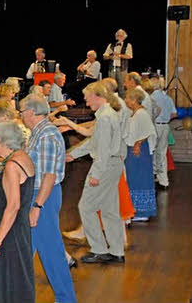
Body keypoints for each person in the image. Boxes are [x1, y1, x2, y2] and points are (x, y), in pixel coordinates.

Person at [20, 94, 77, 303]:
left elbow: (49, 175)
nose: (20, 116)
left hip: (44, 196)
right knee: (26, 250)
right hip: (39, 195)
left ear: (31, 112)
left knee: (52, 253)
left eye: (22, 112)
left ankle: (66, 299)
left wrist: (37, 205)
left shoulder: (47, 135)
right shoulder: (39, 132)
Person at [66, 82, 125, 264]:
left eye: (87, 96)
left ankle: (99, 249)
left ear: (98, 96)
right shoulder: (106, 115)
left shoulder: (106, 117)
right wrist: (72, 155)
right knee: (109, 210)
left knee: (86, 207)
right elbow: (95, 143)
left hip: (106, 166)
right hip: (113, 164)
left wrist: (96, 175)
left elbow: (103, 150)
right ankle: (116, 251)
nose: (85, 100)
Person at [0, 122, 35, 303]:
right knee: (19, 276)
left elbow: (13, 205)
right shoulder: (22, 157)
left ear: (0, 140)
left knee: (5, 280)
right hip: (18, 228)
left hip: (8, 232)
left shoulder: (11, 166)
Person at [124, 88, 157, 222]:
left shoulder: (142, 114)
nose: (125, 101)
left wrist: (138, 143)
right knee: (134, 178)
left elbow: (149, 130)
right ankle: (135, 209)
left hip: (139, 151)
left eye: (127, 98)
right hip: (134, 149)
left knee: (140, 178)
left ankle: (142, 211)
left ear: (133, 100)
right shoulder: (135, 113)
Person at [150, 77, 177, 189]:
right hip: (165, 126)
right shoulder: (168, 98)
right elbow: (174, 114)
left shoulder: (151, 98)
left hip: (154, 126)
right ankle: (164, 181)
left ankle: (152, 177)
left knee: (152, 152)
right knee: (162, 153)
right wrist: (166, 119)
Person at [103, 29, 133, 97]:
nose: (120, 37)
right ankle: (112, 103)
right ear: (116, 36)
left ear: (124, 36)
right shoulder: (111, 45)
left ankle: (122, 103)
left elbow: (129, 56)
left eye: (121, 36)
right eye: (118, 35)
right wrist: (110, 57)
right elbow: (105, 56)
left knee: (122, 86)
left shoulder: (128, 45)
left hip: (122, 69)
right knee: (111, 86)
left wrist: (118, 55)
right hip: (112, 68)